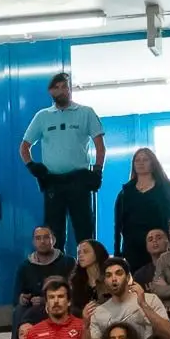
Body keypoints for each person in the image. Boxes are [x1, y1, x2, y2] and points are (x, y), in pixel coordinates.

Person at [20, 72, 105, 249]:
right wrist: (32, 166)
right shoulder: (42, 116)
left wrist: (97, 170)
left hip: (79, 180)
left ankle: (89, 273)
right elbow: (24, 147)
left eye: (64, 86)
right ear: (50, 91)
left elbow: (100, 146)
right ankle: (57, 274)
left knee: (85, 232)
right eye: (56, 87)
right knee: (54, 233)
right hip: (53, 182)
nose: (61, 90)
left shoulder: (86, 113)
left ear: (70, 89)